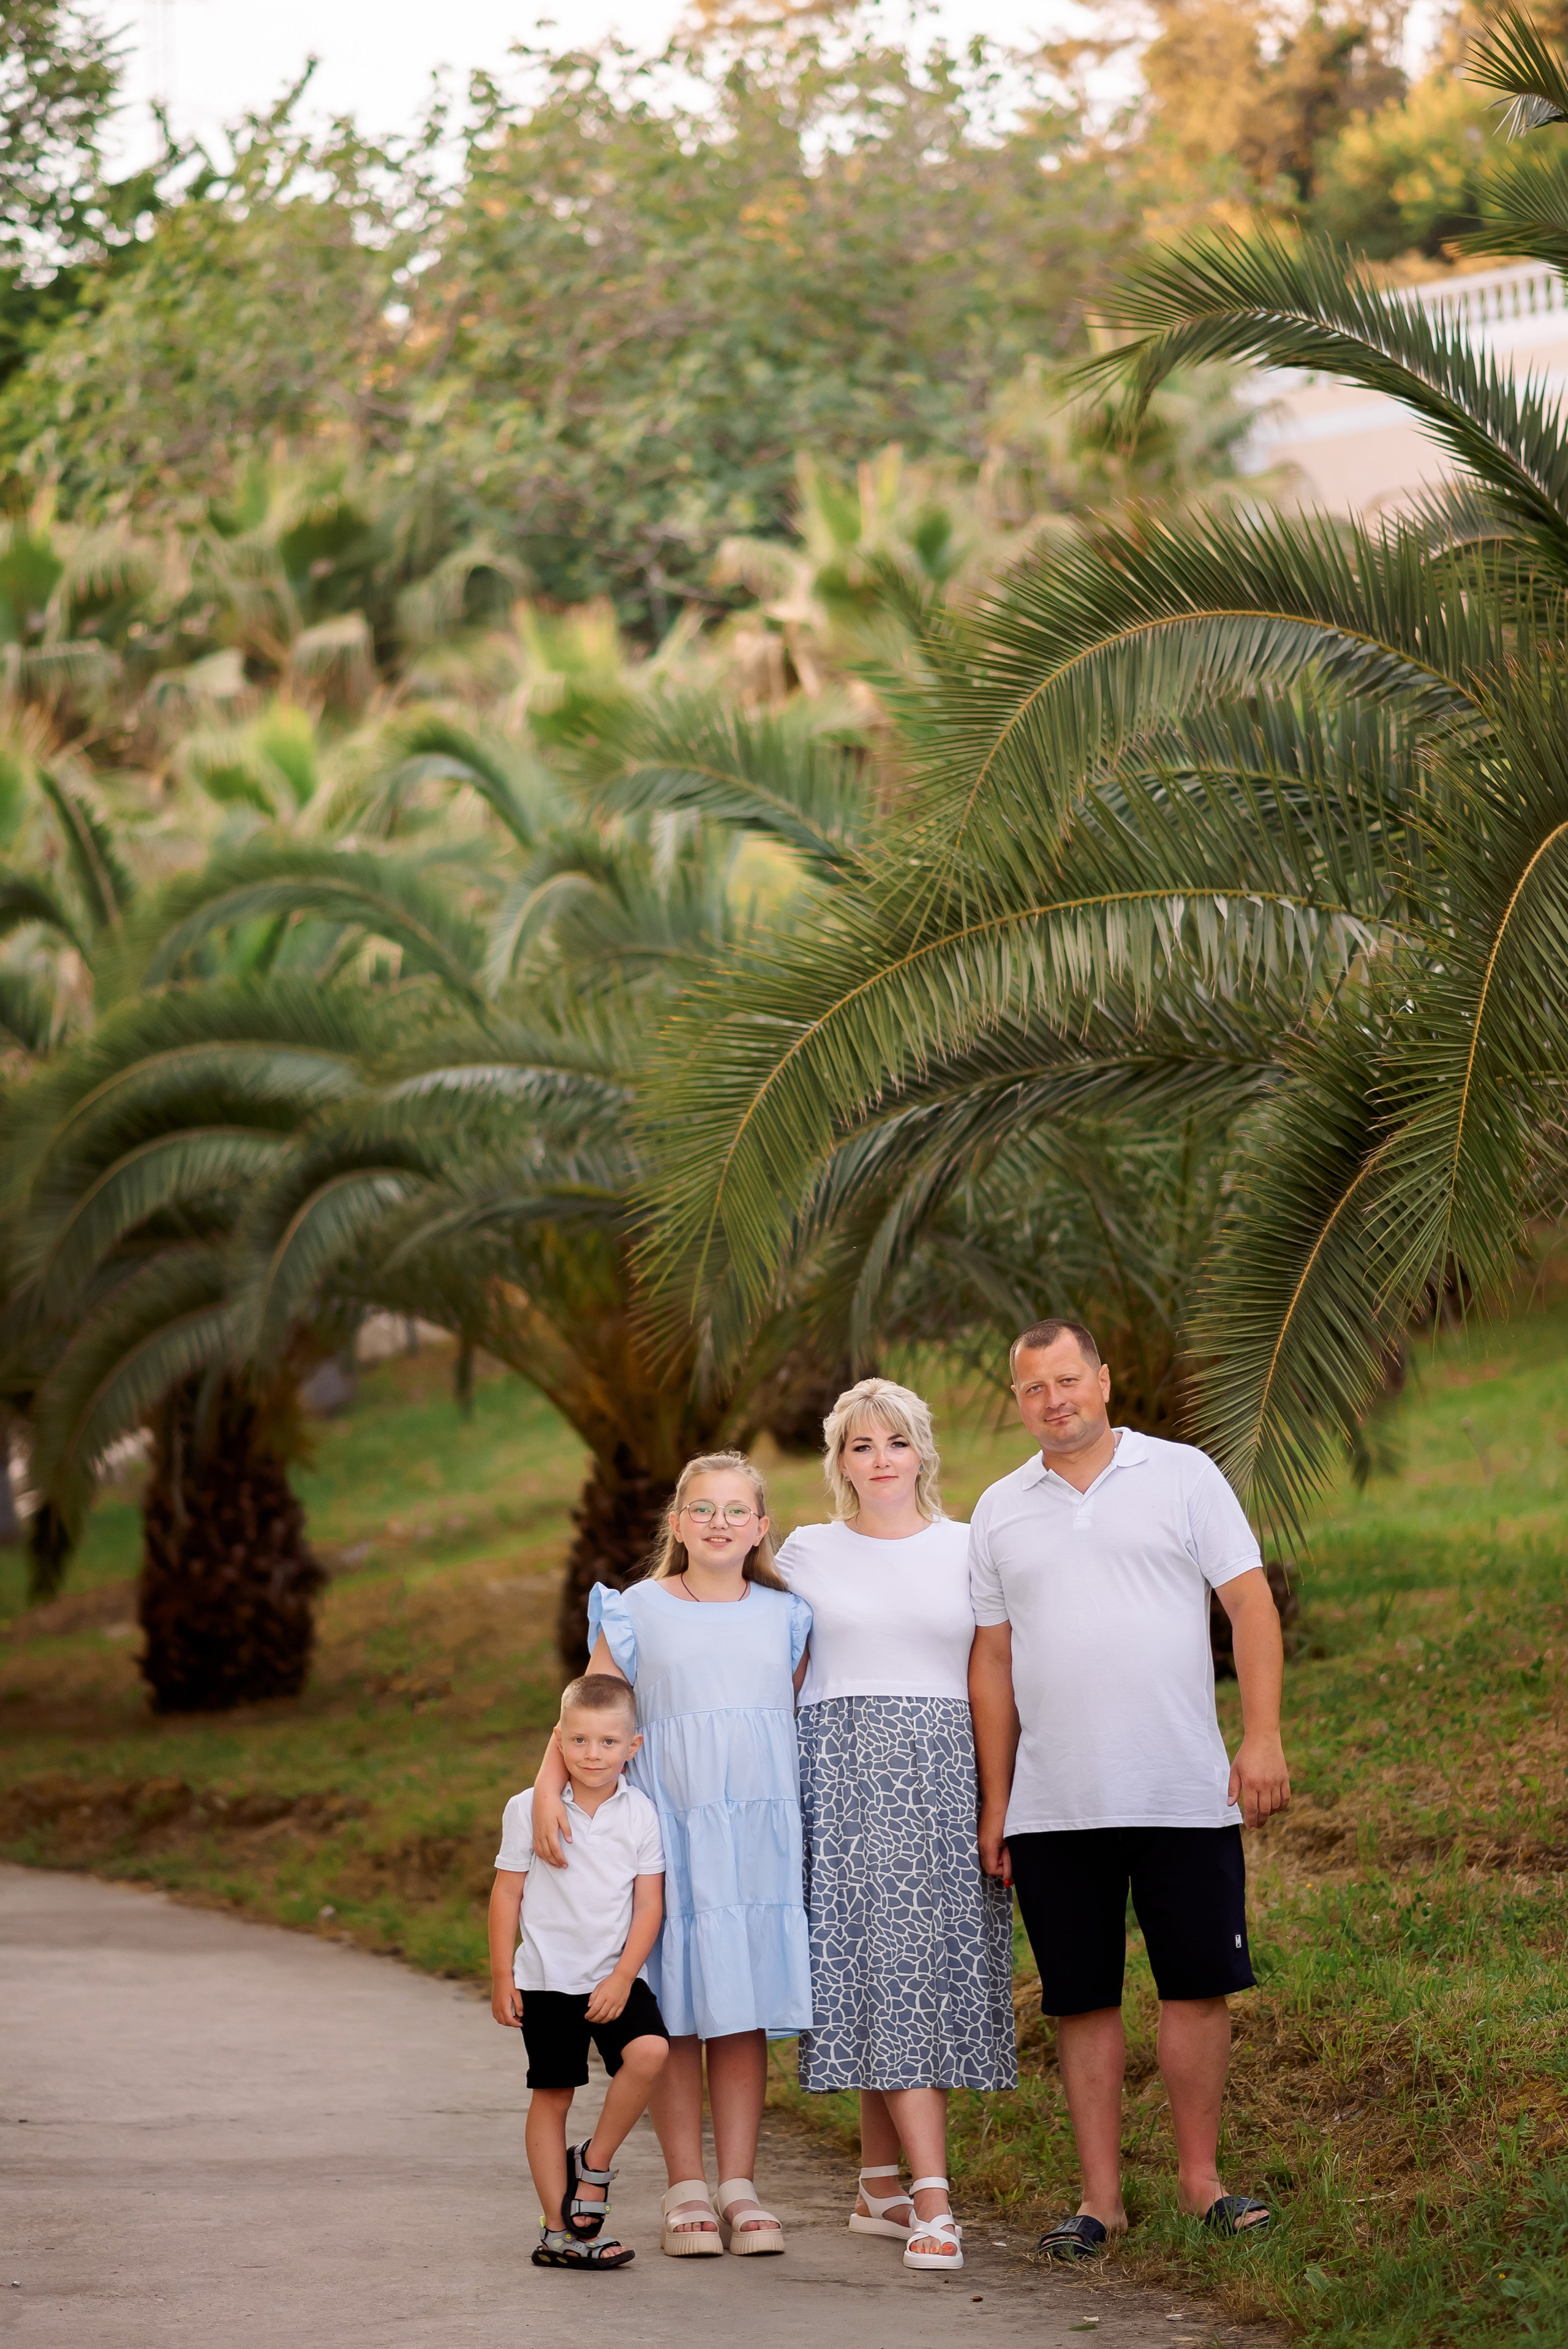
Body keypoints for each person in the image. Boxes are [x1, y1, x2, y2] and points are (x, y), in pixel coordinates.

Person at [968, 1318, 1292, 2260]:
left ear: (1103, 1380)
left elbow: (1249, 1601)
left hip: (1183, 1787)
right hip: (1055, 1803)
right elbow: (993, 1660)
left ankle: (1203, 2183)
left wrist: (1261, 1735)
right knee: (1082, 1999)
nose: (1053, 1400)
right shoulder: (999, 1508)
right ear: (1019, 1399)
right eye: (1034, 1388)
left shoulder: (1183, 1474)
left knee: (1196, 1987)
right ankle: (1101, 2200)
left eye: (1067, 1379)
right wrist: (998, 1800)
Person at [530, 1450, 812, 2258]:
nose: (719, 1522)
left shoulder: (784, 1615)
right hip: (669, 1830)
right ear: (678, 1523)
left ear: (761, 1526)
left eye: (736, 1509)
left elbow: (775, 1716)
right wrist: (549, 1791)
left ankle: (740, 2185)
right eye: (702, 1508)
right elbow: (588, 1712)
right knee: (678, 2001)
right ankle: (686, 2184)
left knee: (740, 2006)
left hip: (753, 1835)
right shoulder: (637, 1610)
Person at [776, 1376, 1015, 2275]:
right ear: (839, 1461)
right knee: (884, 1967)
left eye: (896, 1442)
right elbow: (777, 1669)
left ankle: (881, 2180)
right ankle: (931, 2199)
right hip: (839, 1777)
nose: (880, 1461)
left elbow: (997, 1673)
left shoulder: (969, 1547)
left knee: (922, 1969)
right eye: (860, 1446)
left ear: (924, 1451)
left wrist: (1002, 1797)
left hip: (946, 1779)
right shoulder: (806, 1550)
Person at [489, 1671, 671, 2270]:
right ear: (558, 1741)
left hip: (612, 1977)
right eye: (580, 1741)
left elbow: (650, 1904)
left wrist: (623, 1977)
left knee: (649, 2053)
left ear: (633, 1746)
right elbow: (507, 1894)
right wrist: (501, 1976)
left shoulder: (640, 1812)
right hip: (545, 1980)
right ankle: (559, 2231)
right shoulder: (529, 1809)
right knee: (553, 2093)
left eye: (609, 1743)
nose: (594, 1755)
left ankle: (592, 2166)